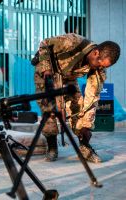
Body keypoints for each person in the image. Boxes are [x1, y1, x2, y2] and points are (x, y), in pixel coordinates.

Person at [32, 33, 120, 163]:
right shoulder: (72, 42)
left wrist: (86, 125)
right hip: (47, 74)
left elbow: (92, 98)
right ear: (96, 53)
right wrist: (47, 70)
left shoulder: (99, 70)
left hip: (68, 78)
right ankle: (51, 146)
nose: (101, 68)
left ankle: (84, 146)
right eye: (100, 64)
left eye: (104, 67)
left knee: (77, 108)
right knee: (49, 110)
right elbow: (45, 43)